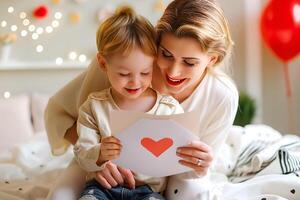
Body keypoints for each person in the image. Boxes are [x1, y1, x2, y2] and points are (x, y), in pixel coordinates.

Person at [45, 0, 238, 199]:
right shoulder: (125, 63)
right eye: (166, 54)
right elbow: (61, 114)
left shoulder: (222, 97)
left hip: (169, 177)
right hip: (99, 162)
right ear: (156, 44)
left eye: (189, 62)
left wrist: (201, 164)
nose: (173, 71)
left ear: (212, 59)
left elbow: (190, 169)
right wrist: (99, 159)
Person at [73, 6, 184, 200]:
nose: (135, 82)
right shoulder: (94, 107)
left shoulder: (169, 108)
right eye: (124, 74)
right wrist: (100, 153)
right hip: (101, 188)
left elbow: (180, 154)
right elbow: (81, 152)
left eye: (145, 73)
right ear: (103, 64)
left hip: (148, 191)